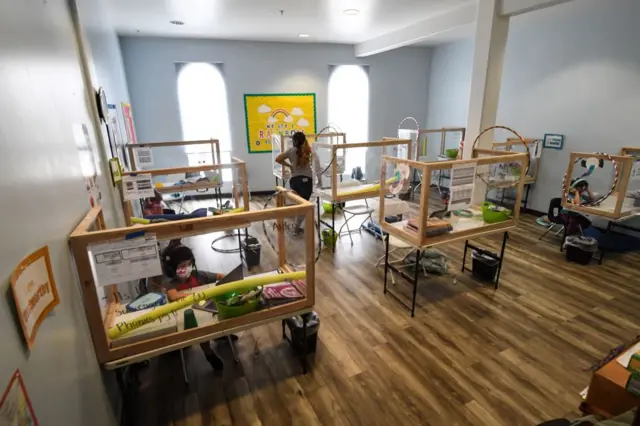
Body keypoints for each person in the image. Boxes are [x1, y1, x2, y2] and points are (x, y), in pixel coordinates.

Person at [152, 240, 226, 371]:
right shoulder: (170, 282)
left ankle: (221, 333)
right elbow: (173, 296)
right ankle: (208, 352)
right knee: (201, 330)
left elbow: (218, 276)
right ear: (171, 268)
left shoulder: (197, 276)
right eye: (182, 266)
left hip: (206, 310)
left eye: (189, 264)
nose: (186, 269)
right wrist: (199, 295)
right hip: (189, 319)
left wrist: (225, 278)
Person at [276, 131, 313, 234]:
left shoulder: (290, 151)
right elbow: (317, 166)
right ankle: (296, 228)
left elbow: (278, 159)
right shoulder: (309, 150)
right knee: (304, 204)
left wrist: (289, 166)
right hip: (306, 181)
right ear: (305, 140)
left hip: (294, 181)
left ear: (293, 141)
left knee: (298, 204)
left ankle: (295, 226)